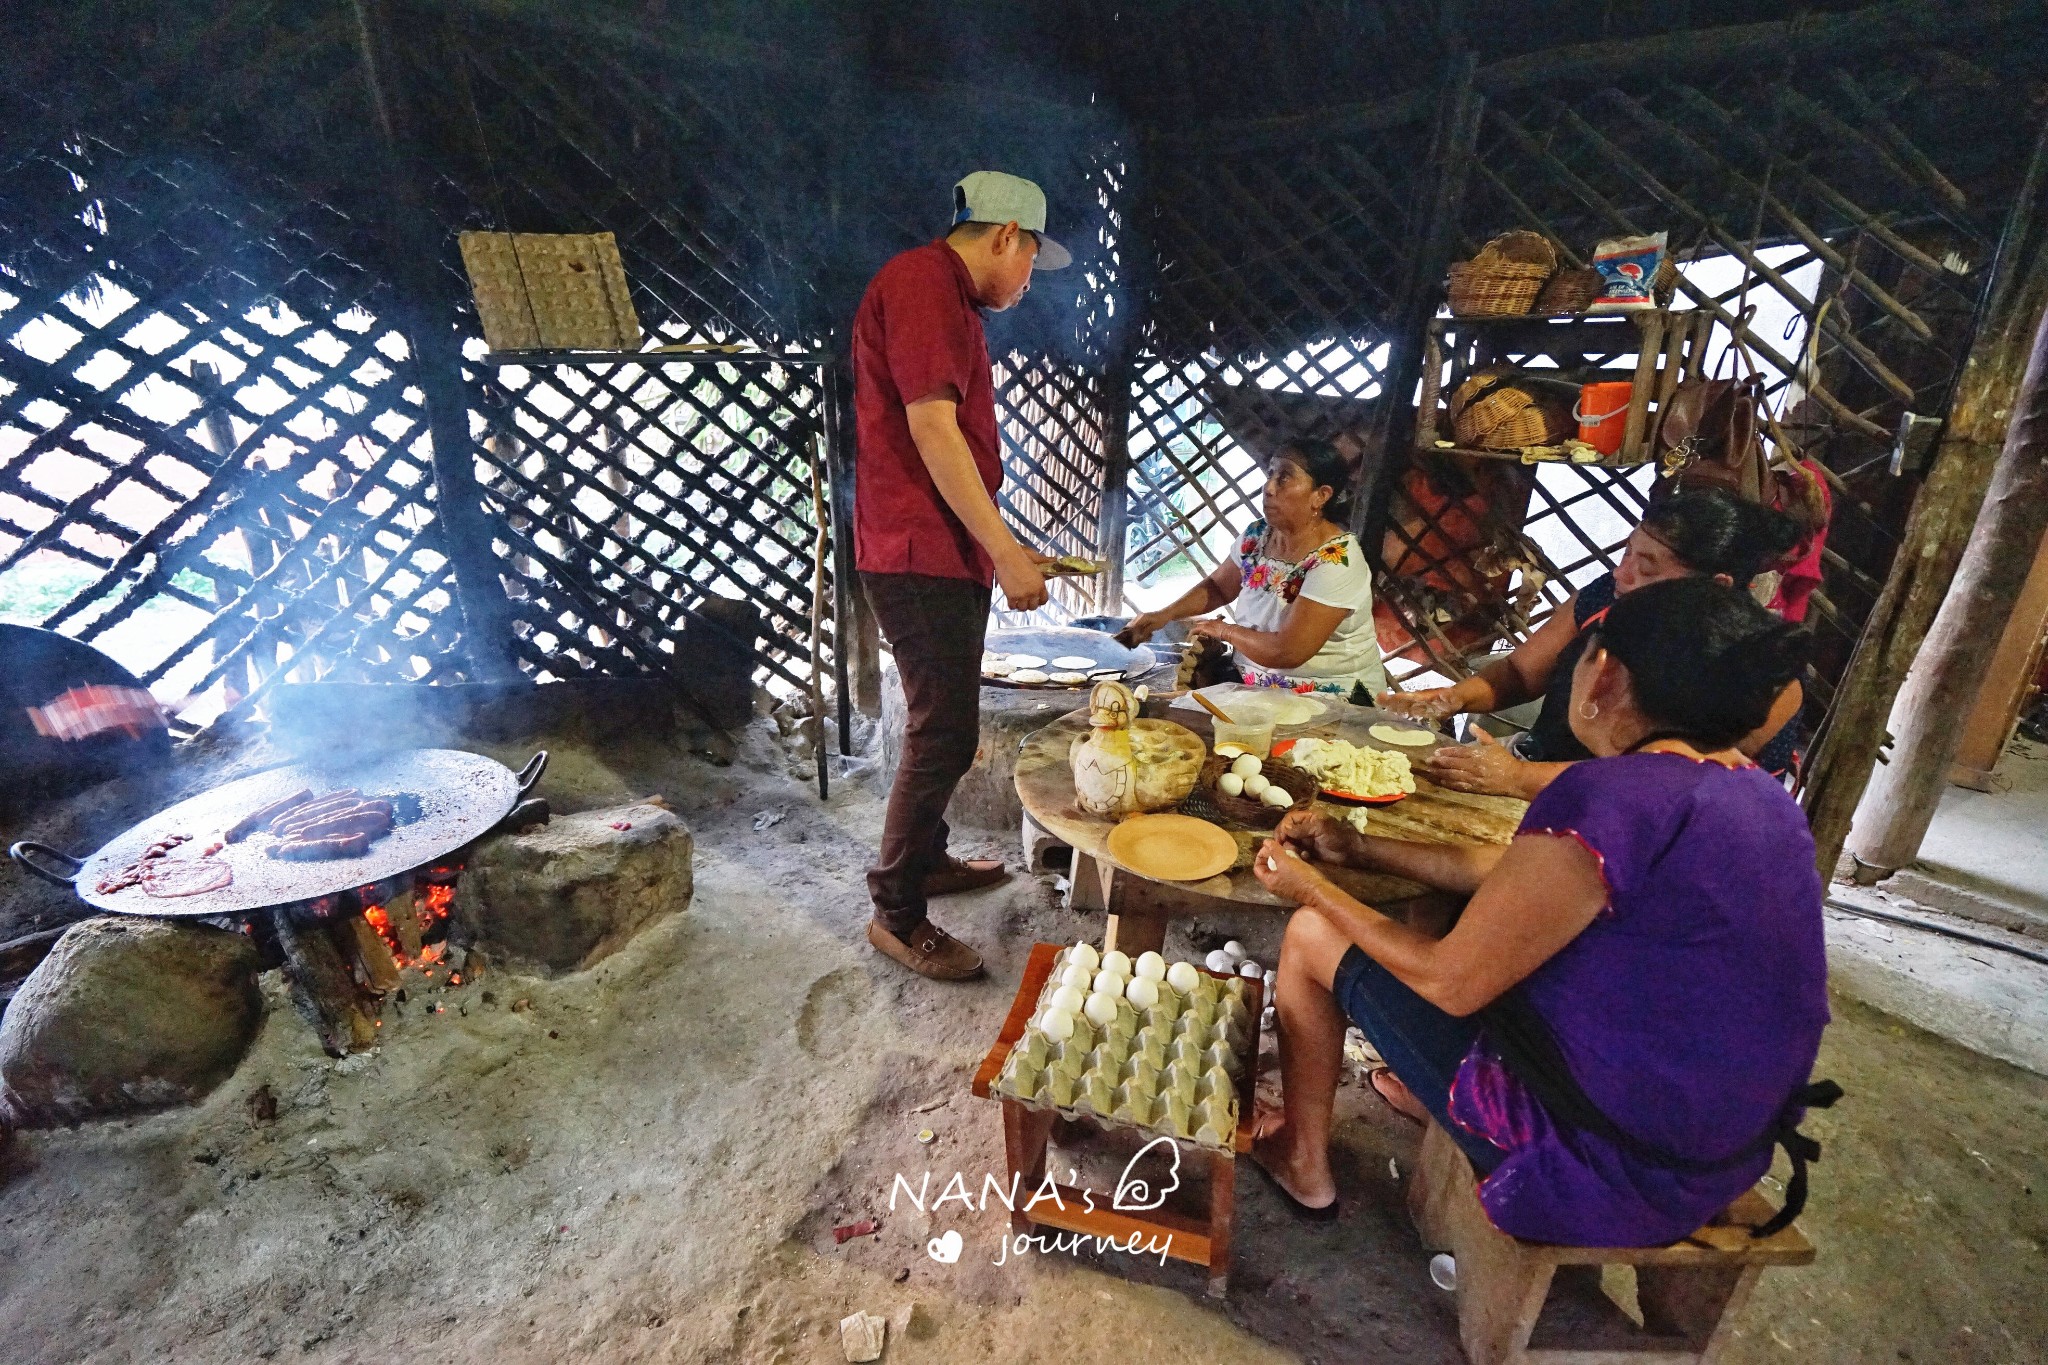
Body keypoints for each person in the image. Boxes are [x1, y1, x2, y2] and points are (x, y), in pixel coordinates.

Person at [1248, 578, 1832, 1245]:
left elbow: (1450, 981)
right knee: (1456, 927)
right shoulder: (1764, 801)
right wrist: (1362, 848)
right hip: (1714, 1157)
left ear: (1605, 676)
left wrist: (1314, 889)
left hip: (1595, 1165)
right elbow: (1524, 883)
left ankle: (1304, 1162)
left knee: (1312, 935)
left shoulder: (1605, 798)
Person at [852, 170, 1071, 981]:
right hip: (916, 551)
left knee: (946, 725)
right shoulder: (921, 281)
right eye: (1029, 261)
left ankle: (928, 862)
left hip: (937, 550)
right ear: (1006, 235)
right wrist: (1006, 552)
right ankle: (897, 913)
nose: (1025, 283)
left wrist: (999, 546)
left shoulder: (945, 297)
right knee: (942, 731)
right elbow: (933, 429)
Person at [1380, 488, 1805, 800]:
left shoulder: (1753, 666)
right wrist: (1455, 697)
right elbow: (1519, 672)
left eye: (1648, 569)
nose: (1622, 576)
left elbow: (1658, 784)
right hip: (1537, 768)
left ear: (1717, 586)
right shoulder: (1608, 597)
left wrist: (1517, 780)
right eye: (1626, 555)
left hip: (1637, 830)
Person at [1119, 438, 1388, 697]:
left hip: (1330, 700)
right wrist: (1164, 615)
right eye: (1270, 474)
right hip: (1257, 690)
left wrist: (1224, 631)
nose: (1269, 488)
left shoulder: (1337, 560)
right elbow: (1218, 588)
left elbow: (1287, 652)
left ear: (1321, 496)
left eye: (1284, 477)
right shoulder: (1258, 536)